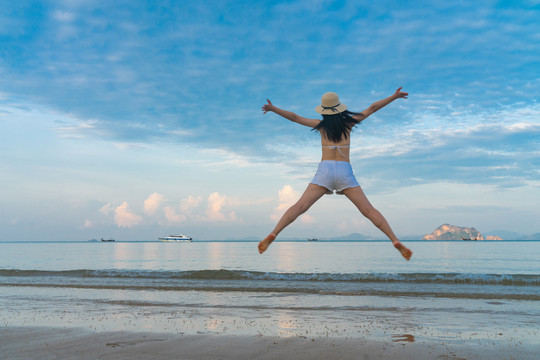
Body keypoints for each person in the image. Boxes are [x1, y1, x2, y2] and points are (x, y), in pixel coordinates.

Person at [257, 88, 413, 260]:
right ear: (339, 108)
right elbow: (373, 107)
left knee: (300, 207)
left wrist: (274, 109)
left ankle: (274, 233)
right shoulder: (349, 123)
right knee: (368, 210)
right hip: (345, 171)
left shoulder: (320, 126)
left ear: (324, 110)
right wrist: (394, 96)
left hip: (325, 170)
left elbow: (295, 117)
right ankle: (394, 240)